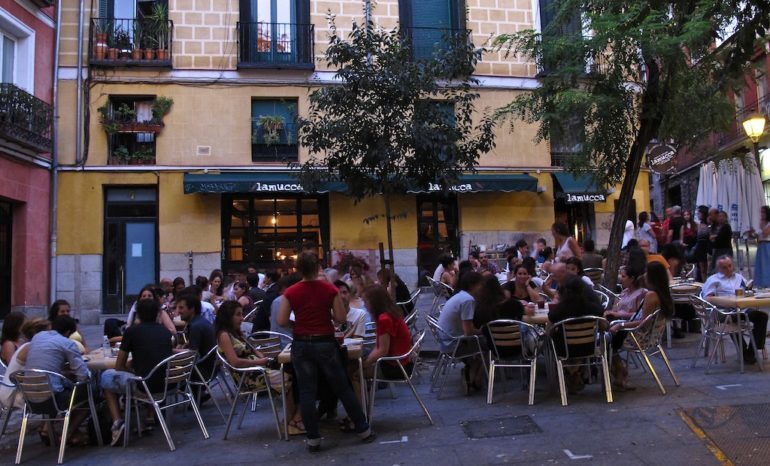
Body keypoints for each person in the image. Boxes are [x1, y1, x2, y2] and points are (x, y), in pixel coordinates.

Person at [277, 252, 375, 452]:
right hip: (325, 342)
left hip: (301, 344)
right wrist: (325, 314)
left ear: (299, 270)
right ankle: (363, 430)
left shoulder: (291, 292)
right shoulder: (329, 289)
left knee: (306, 390)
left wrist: (298, 323)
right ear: (316, 268)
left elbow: (281, 321)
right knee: (341, 385)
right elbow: (340, 317)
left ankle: (313, 438)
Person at [215, 300, 304, 435]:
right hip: (249, 376)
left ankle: (293, 419)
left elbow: (254, 351)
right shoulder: (224, 335)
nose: (242, 318)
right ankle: (292, 420)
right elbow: (235, 362)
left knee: (295, 371)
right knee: (294, 378)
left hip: (259, 369)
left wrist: (262, 358)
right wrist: (259, 362)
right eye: (238, 315)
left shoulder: (237, 333)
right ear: (228, 317)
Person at [100, 299, 174, 445]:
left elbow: (119, 366)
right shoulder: (165, 332)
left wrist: (132, 371)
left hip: (144, 386)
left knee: (106, 377)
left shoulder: (132, 331)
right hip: (168, 385)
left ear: (138, 314)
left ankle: (117, 422)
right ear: (158, 315)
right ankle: (148, 416)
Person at [25, 316, 91, 446]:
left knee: (57, 387)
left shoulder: (37, 337)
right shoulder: (67, 343)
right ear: (67, 332)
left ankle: (47, 429)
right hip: (52, 399)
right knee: (90, 395)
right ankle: (67, 434)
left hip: (29, 399)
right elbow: (83, 375)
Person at [607, 261, 674, 390]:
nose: (644, 276)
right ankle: (619, 373)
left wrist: (620, 325)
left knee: (606, 339)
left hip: (637, 336)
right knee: (608, 335)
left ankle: (620, 372)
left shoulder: (651, 295)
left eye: (646, 273)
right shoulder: (664, 294)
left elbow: (643, 321)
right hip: (646, 334)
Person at [701, 256, 768, 363]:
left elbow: (747, 289)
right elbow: (708, 298)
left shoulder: (739, 277)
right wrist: (726, 301)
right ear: (718, 269)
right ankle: (746, 354)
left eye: (730, 266)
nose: (728, 269)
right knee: (731, 319)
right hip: (722, 311)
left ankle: (752, 350)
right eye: (724, 267)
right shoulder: (713, 280)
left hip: (741, 309)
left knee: (762, 316)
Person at [546, 276, 604, 393]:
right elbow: (603, 326)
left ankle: (568, 373)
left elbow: (548, 331)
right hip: (589, 348)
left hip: (565, 350)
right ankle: (576, 371)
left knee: (551, 342)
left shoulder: (558, 310)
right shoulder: (594, 308)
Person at [436, 271, 486, 395]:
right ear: (473, 285)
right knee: (489, 345)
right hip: (453, 343)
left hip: (445, 340)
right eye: (481, 285)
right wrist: (482, 332)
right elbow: (468, 331)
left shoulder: (460, 296)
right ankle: (473, 378)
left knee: (482, 342)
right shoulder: (468, 300)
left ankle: (470, 371)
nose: (483, 288)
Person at [362, 286, 414, 380]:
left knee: (355, 374)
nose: (364, 305)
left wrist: (364, 365)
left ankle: (363, 394)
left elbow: (382, 350)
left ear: (374, 302)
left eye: (366, 302)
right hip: (403, 362)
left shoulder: (384, 319)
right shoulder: (391, 312)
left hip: (397, 367)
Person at [0, 318, 50, 410]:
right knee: (55, 394)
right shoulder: (31, 347)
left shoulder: (29, 345)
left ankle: (47, 423)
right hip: (13, 393)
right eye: (49, 332)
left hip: (19, 388)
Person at [176, 293, 216, 381]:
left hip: (201, 371)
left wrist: (172, 351)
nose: (178, 311)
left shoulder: (195, 326)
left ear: (192, 309)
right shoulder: (201, 321)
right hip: (213, 368)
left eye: (181, 308)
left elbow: (192, 354)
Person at [270, 274, 302, 345]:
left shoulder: (279, 300)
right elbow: (285, 322)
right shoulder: (285, 300)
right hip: (285, 343)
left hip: (277, 342)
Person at [691, 206, 712, 282]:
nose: (698, 215)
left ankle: (707, 282)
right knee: (702, 268)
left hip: (706, 247)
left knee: (707, 268)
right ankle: (704, 283)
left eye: (699, 213)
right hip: (700, 247)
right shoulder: (699, 224)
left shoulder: (708, 222)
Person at [754, 206, 770, 288]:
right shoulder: (760, 222)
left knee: (767, 265)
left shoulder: (768, 223)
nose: (762, 214)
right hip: (761, 245)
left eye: (763, 212)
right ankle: (760, 283)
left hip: (767, 245)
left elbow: (765, 233)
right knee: (760, 265)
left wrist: (762, 225)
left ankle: (767, 283)